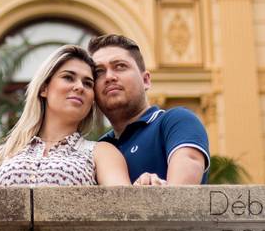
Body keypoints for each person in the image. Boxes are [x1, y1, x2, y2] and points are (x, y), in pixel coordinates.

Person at [0, 44, 130, 187]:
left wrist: (145, 186)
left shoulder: (101, 153)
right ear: (44, 88)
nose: (79, 87)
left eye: (88, 83)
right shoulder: (0, 156)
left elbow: (126, 205)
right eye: (68, 77)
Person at [89, 34, 209, 185]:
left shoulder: (176, 121)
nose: (109, 76)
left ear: (146, 80)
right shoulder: (98, 148)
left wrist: (152, 195)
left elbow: (181, 196)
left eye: (120, 66)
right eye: (99, 72)